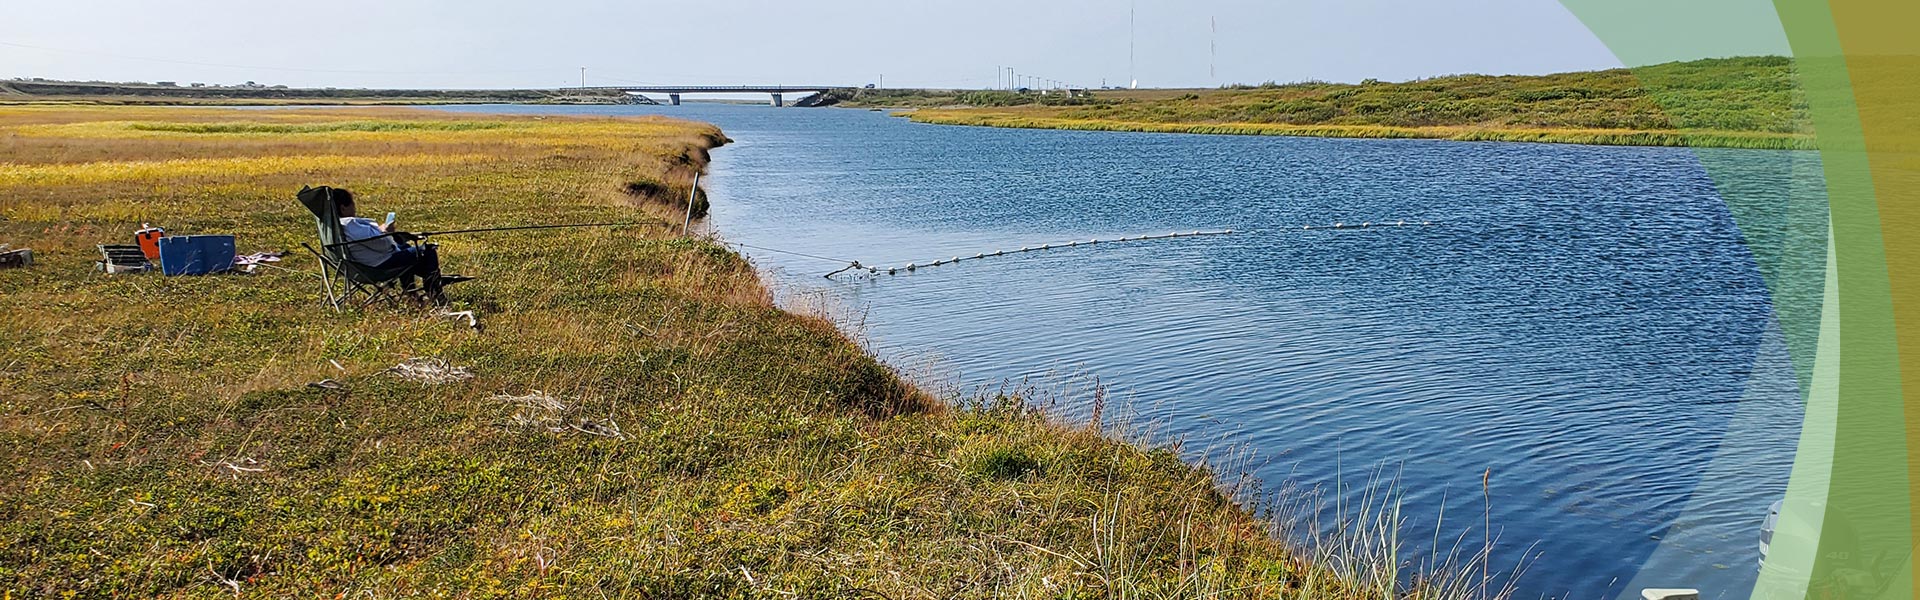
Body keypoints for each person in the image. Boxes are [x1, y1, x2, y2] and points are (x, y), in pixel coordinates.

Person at [334, 188, 468, 298]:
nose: (354, 208)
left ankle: (411, 292)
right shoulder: (349, 224)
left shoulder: (335, 226)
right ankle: (434, 291)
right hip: (377, 266)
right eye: (352, 204)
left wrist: (381, 230)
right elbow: (383, 244)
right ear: (343, 208)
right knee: (428, 250)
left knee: (405, 248)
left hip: (361, 264)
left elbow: (368, 239)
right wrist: (387, 232)